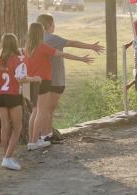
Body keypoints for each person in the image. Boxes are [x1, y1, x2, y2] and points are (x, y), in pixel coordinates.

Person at [36, 14, 105, 141]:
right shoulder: (51, 38)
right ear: (49, 25)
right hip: (55, 79)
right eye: (53, 24)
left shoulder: (35, 40)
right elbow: (72, 43)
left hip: (41, 79)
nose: (54, 26)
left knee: (45, 109)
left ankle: (48, 132)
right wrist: (90, 46)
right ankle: (45, 135)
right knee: (49, 109)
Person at [25, 23, 94, 151]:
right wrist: (81, 59)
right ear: (40, 33)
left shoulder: (27, 49)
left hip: (31, 82)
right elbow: (63, 55)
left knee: (35, 111)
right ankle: (35, 141)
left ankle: (31, 140)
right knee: (41, 111)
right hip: (43, 81)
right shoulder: (42, 47)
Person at [0, 33, 41, 170]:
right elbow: (21, 79)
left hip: (1, 95)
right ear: (15, 44)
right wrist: (35, 78)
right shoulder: (18, 60)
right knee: (17, 128)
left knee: (5, 126)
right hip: (13, 95)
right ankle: (8, 158)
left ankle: (6, 156)